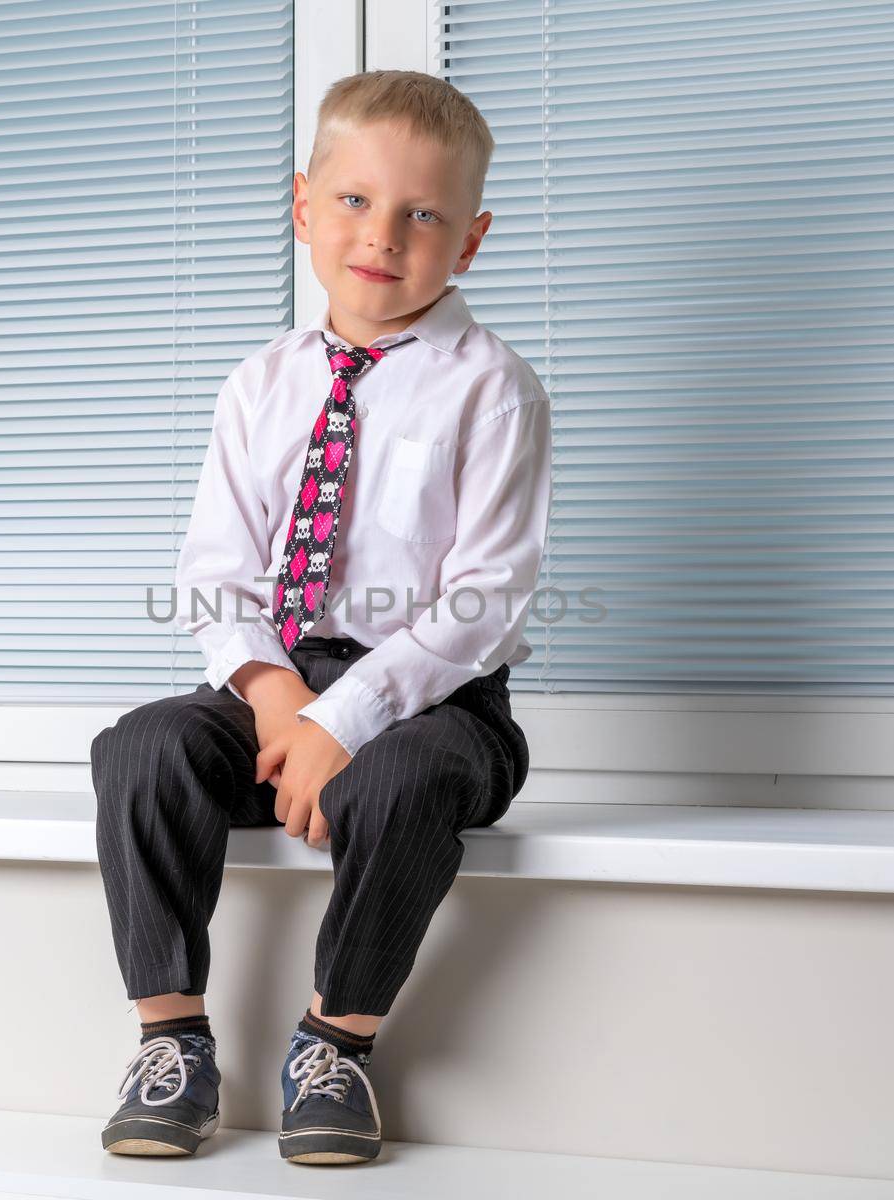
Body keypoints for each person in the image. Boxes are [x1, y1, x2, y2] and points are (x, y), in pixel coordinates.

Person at [90, 68, 551, 1166]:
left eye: (421, 214)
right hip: (277, 685)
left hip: (436, 700)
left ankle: (334, 1043)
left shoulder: (493, 388)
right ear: (304, 207)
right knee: (143, 747)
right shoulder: (260, 383)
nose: (381, 234)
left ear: (470, 240)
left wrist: (343, 722)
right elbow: (215, 571)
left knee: (401, 778)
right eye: (353, 201)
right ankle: (172, 1041)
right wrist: (278, 697)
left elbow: (481, 601)